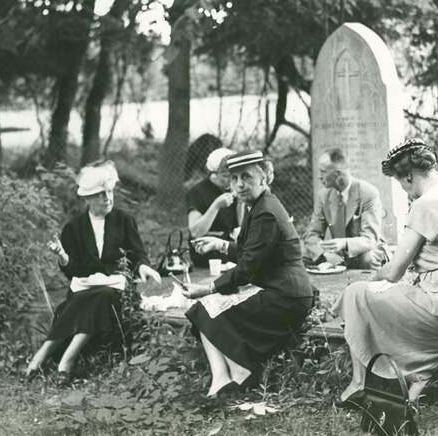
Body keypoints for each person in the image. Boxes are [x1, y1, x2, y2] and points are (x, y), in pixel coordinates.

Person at [334, 138, 438, 405]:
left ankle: (358, 384)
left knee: (355, 293)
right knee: (395, 295)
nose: (404, 190)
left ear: (408, 177)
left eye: (400, 183)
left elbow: (395, 271)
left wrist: (373, 277)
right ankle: (420, 376)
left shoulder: (426, 203)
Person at [182, 150, 314, 397]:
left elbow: (246, 270)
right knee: (206, 308)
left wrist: (209, 287)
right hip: (281, 291)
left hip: (285, 298)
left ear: (264, 178)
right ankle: (224, 376)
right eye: (234, 178)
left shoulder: (265, 212)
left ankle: (238, 372)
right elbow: (251, 252)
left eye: (247, 177)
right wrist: (218, 244)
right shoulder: (259, 205)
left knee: (206, 306)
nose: (239, 184)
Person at [25, 162, 161, 385]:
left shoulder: (124, 220)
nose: (107, 198)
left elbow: (138, 255)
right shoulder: (74, 228)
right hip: (85, 290)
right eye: (100, 195)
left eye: (109, 192)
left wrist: (144, 267)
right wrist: (63, 255)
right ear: (86, 199)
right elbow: (74, 272)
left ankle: (55, 357)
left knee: (104, 295)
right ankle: (57, 359)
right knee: (93, 297)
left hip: (118, 291)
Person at [304, 147, 387, 270]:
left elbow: (370, 240)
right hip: (338, 254)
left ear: (337, 174)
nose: (319, 177)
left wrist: (344, 243)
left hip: (366, 251)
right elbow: (311, 234)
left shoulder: (368, 193)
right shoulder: (323, 196)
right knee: (302, 259)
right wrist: (324, 254)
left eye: (323, 171)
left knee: (367, 258)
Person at [186, 147, 243, 267]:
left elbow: (239, 226)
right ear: (214, 173)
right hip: (206, 253)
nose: (230, 181)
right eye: (225, 176)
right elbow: (196, 232)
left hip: (229, 250)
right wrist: (216, 206)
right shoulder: (197, 192)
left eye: (233, 176)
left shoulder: (234, 187)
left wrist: (240, 203)